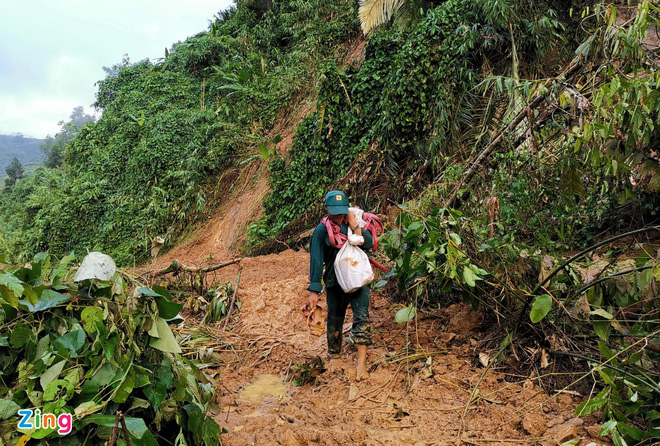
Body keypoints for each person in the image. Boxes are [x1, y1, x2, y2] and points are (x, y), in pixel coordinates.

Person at [308, 190, 373, 381]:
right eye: (334, 211)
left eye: (341, 211)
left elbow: (367, 243)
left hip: (358, 278)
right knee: (335, 317)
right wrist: (314, 290)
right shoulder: (321, 231)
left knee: (362, 316)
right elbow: (316, 260)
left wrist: (355, 225)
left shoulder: (353, 224)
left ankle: (361, 363)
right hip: (334, 282)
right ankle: (334, 354)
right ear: (326, 208)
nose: (337, 216)